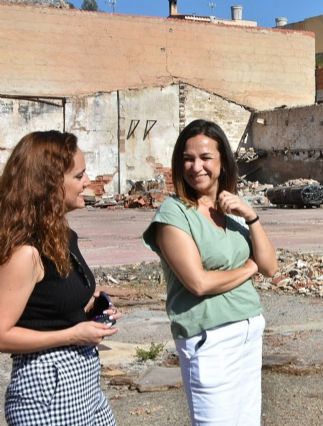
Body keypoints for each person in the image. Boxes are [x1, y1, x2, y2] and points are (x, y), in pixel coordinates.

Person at [142, 119, 278, 425]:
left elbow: (269, 266)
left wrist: (252, 216)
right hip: (208, 339)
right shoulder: (173, 214)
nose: (195, 167)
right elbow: (199, 283)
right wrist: (249, 268)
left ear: (223, 161)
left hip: (247, 331)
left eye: (205, 158)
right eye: (188, 158)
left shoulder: (232, 210)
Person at [0, 131, 121, 425]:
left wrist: (90, 306)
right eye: (79, 176)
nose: (88, 181)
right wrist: (72, 334)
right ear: (51, 185)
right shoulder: (25, 252)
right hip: (47, 388)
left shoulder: (62, 235)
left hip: (83, 383)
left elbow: (47, 302)